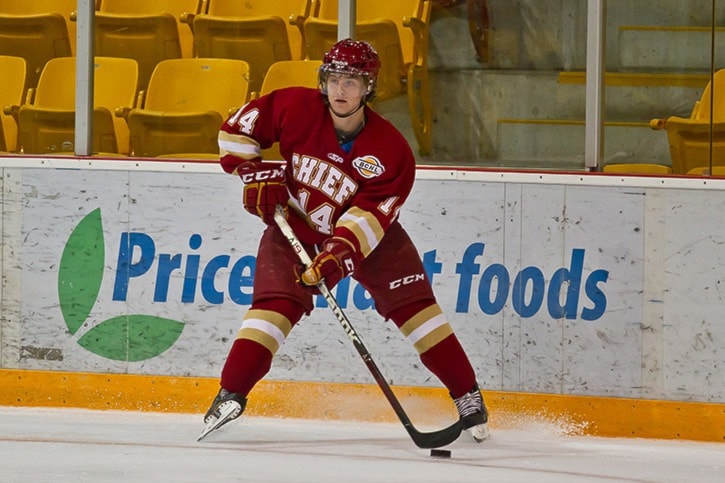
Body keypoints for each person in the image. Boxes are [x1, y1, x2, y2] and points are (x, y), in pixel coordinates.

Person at [204, 38, 489, 443]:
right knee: (274, 307)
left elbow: (372, 214)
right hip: (297, 225)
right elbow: (235, 133)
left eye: (352, 82)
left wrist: (338, 254)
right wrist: (255, 175)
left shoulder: (391, 149)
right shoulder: (292, 107)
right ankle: (231, 393)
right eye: (334, 79)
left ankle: (467, 395)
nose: (341, 90)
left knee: (417, 310)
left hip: (373, 242)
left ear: (369, 87)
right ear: (323, 81)